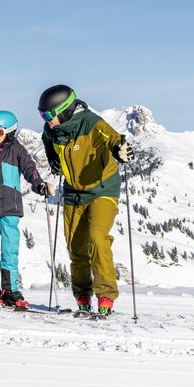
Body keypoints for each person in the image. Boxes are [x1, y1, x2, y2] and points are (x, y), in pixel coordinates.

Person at [38, 85, 134, 316]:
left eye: (49, 115)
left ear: (65, 110)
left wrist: (121, 149)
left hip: (102, 189)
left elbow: (113, 139)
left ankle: (106, 295)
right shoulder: (52, 130)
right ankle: (82, 294)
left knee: (97, 237)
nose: (46, 120)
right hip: (73, 192)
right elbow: (48, 142)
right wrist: (54, 162)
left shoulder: (92, 123)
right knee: (75, 245)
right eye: (42, 115)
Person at [0, 111, 54, 308]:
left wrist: (39, 184)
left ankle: (10, 289)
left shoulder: (17, 150)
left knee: (10, 251)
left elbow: (29, 170)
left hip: (11, 208)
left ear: (9, 131)